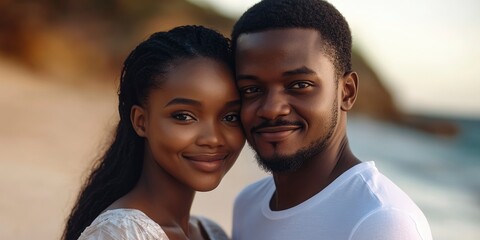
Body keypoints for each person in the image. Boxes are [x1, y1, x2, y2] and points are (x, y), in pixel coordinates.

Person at [230, 0, 432, 239]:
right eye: (251, 89)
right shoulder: (248, 204)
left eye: (300, 85)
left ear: (346, 92)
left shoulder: (381, 221)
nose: (272, 109)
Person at [62, 25, 245, 240]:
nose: (213, 138)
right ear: (141, 121)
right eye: (184, 116)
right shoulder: (120, 234)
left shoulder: (210, 233)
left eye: (230, 117)